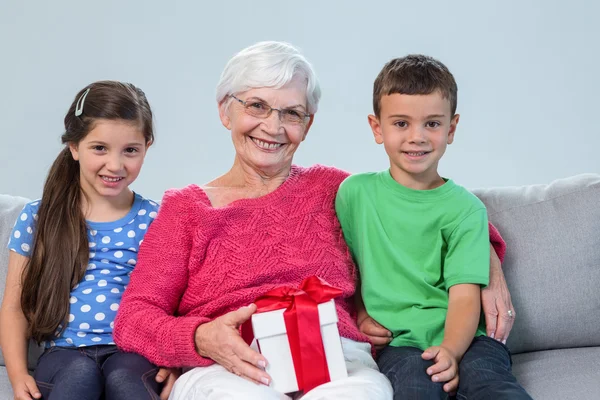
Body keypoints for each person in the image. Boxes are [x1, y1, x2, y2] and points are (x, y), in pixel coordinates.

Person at [113, 42, 513, 400]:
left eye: (292, 113)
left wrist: (489, 263)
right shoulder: (185, 209)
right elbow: (134, 318)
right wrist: (199, 337)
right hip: (231, 365)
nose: (273, 127)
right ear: (225, 111)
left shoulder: (333, 188)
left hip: (336, 360)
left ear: (308, 125)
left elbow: (428, 205)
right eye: (257, 106)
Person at [335, 55, 531, 399]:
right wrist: (362, 316)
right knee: (414, 387)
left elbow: (465, 296)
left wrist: (452, 351)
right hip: (401, 343)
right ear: (376, 127)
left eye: (432, 124)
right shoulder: (355, 194)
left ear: (451, 129)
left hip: (470, 339)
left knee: (491, 384)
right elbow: (348, 270)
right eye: (401, 123)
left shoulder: (465, 209)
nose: (417, 137)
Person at [0, 81, 178, 400]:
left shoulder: (156, 219)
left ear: (147, 146)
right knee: (79, 377)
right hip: (63, 354)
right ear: (74, 147)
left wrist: (173, 362)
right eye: (100, 148)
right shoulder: (39, 217)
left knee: (125, 380)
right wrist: (17, 375)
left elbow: (172, 302)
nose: (115, 165)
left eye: (130, 150)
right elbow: (14, 308)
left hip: (132, 351)